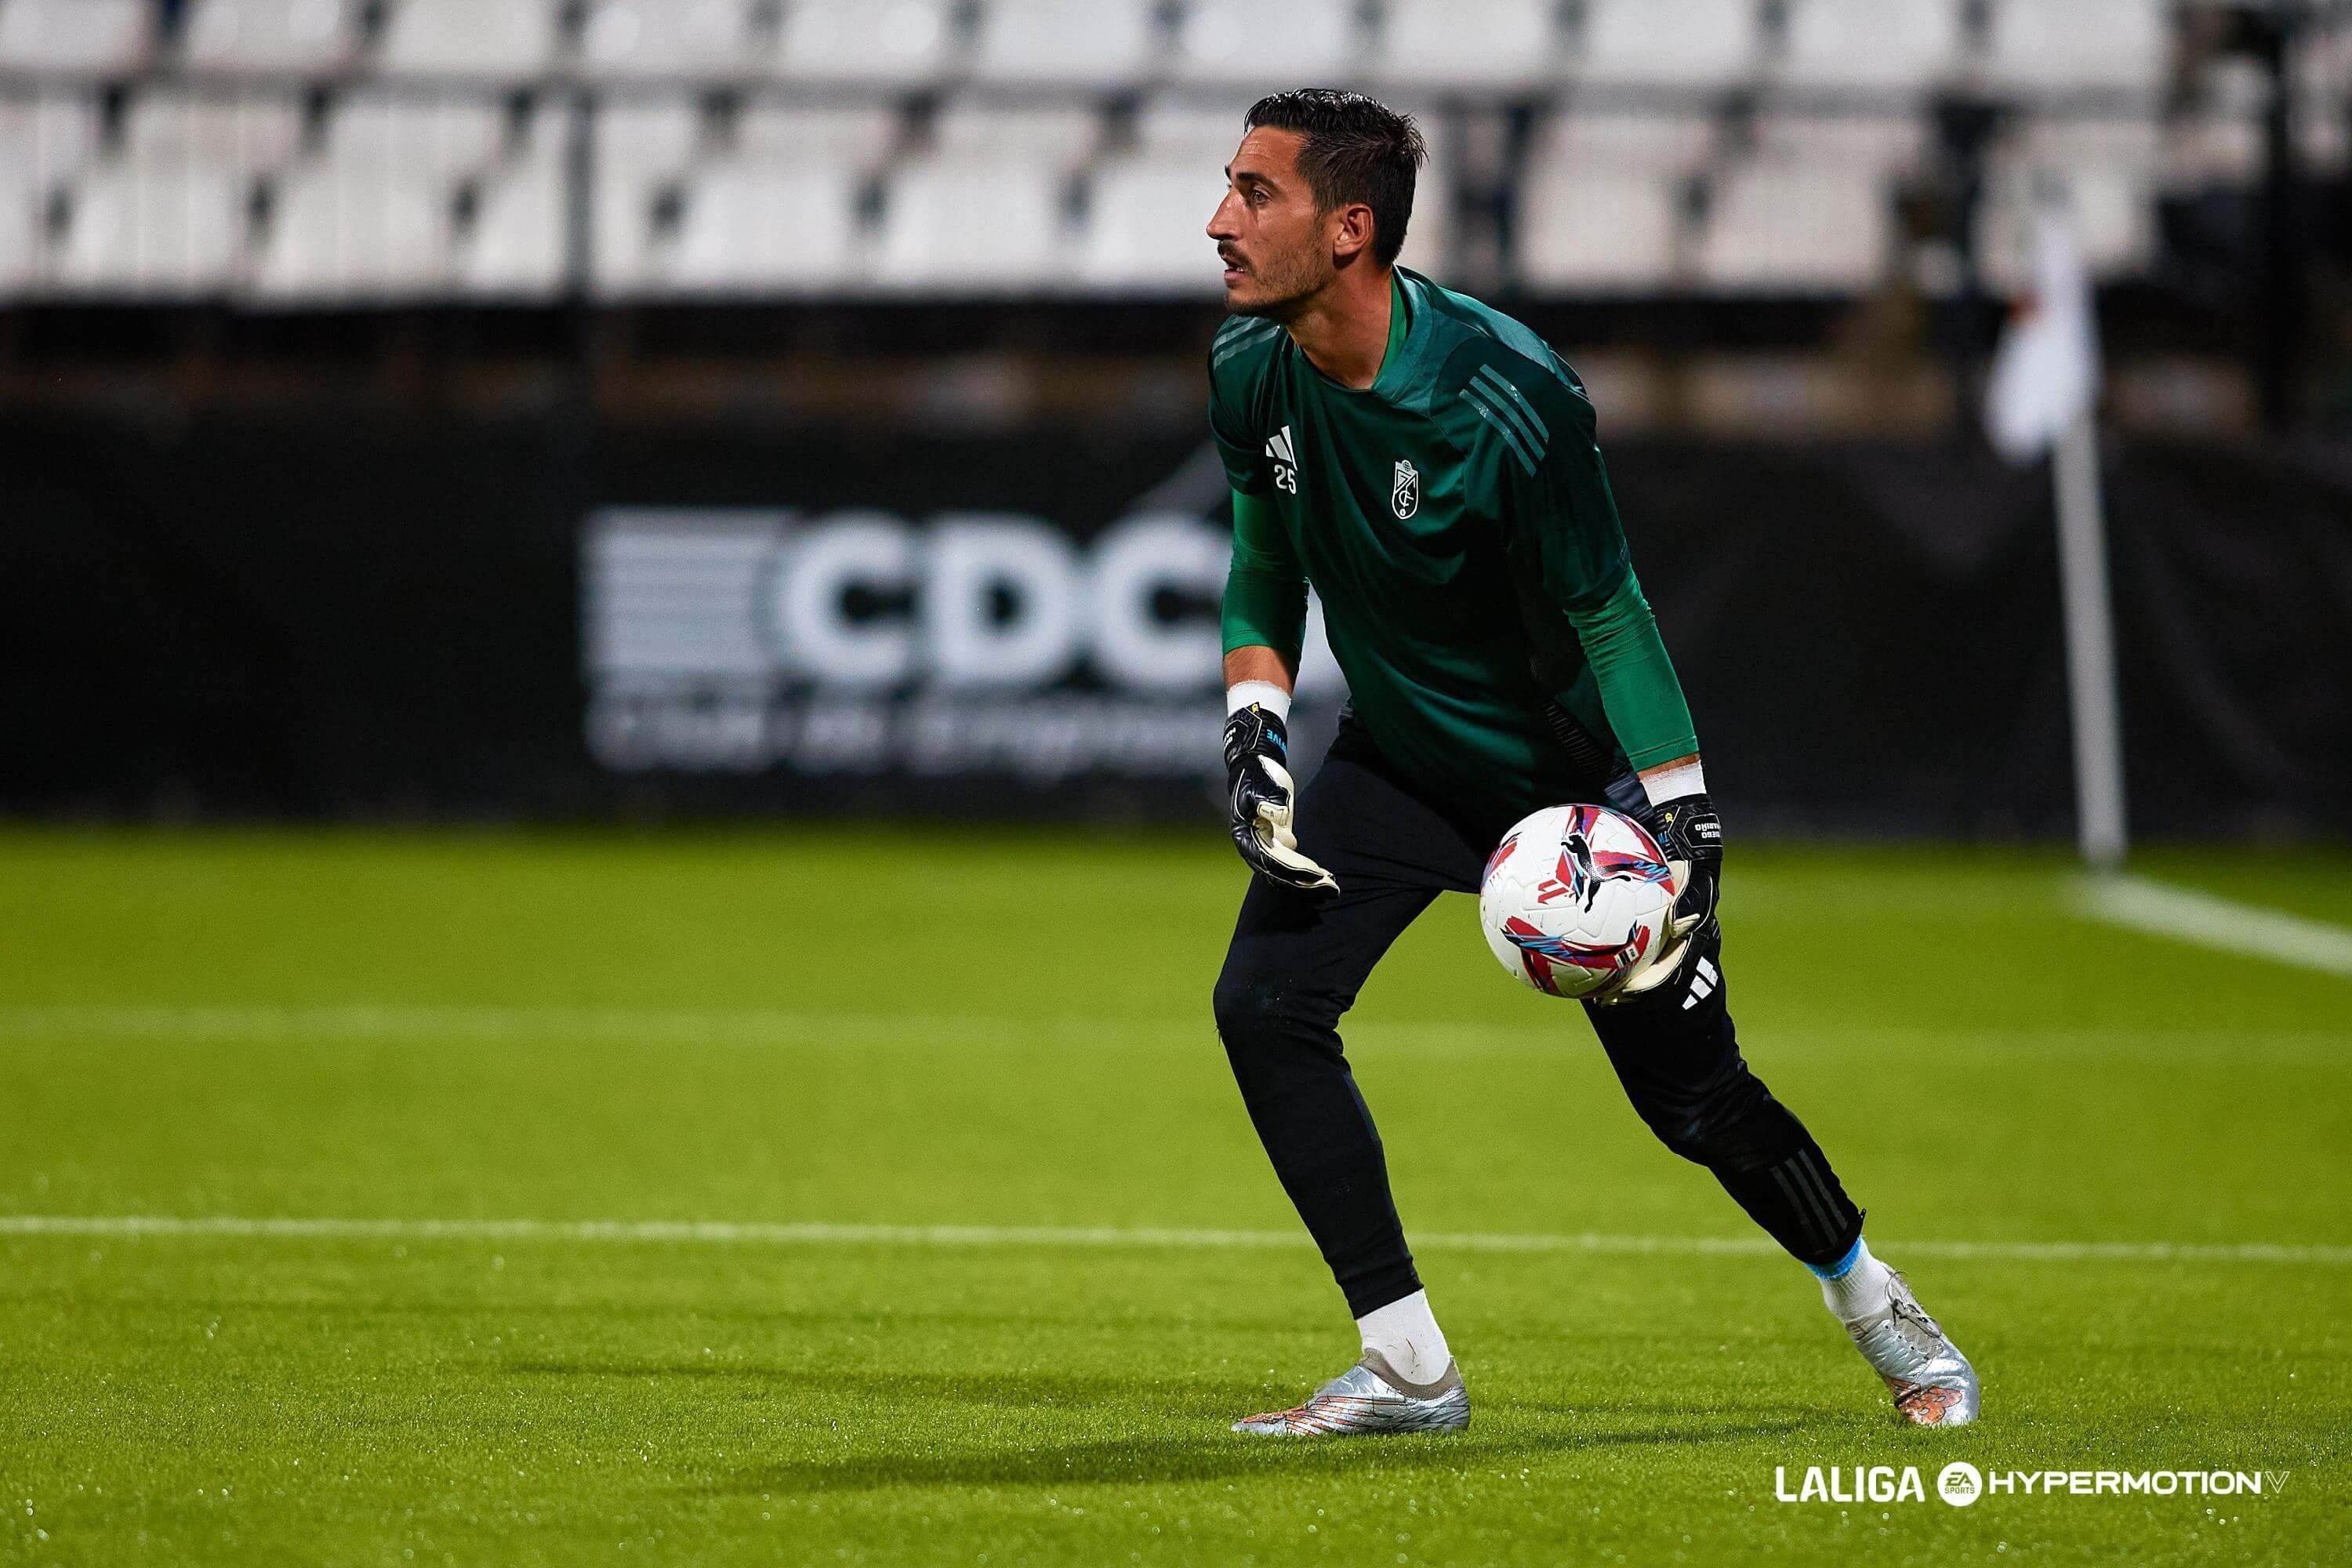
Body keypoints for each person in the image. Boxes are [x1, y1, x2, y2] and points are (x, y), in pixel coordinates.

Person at [1204, 89, 1979, 1436]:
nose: (1219, 221)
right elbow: (1265, 571)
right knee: (1264, 1006)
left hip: (1567, 791)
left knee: (1696, 1105)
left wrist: (1679, 816)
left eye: (1253, 194)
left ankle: (1881, 1310)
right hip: (1396, 760)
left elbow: (1608, 609)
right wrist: (1255, 722)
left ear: (1349, 230)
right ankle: (1407, 1369)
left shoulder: (1509, 394)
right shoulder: (1247, 368)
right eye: (1228, 187)